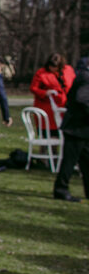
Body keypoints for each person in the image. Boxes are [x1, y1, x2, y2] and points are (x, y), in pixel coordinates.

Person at [52, 57, 89, 203]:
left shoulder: (83, 76)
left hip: (81, 127)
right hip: (77, 126)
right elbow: (82, 99)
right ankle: (61, 189)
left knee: (86, 161)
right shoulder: (86, 77)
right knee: (69, 160)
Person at [30, 53, 76, 130]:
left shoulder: (68, 70)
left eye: (55, 66)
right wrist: (45, 93)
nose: (52, 68)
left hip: (65, 107)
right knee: (51, 131)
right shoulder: (41, 73)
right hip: (48, 108)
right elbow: (33, 88)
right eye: (51, 66)